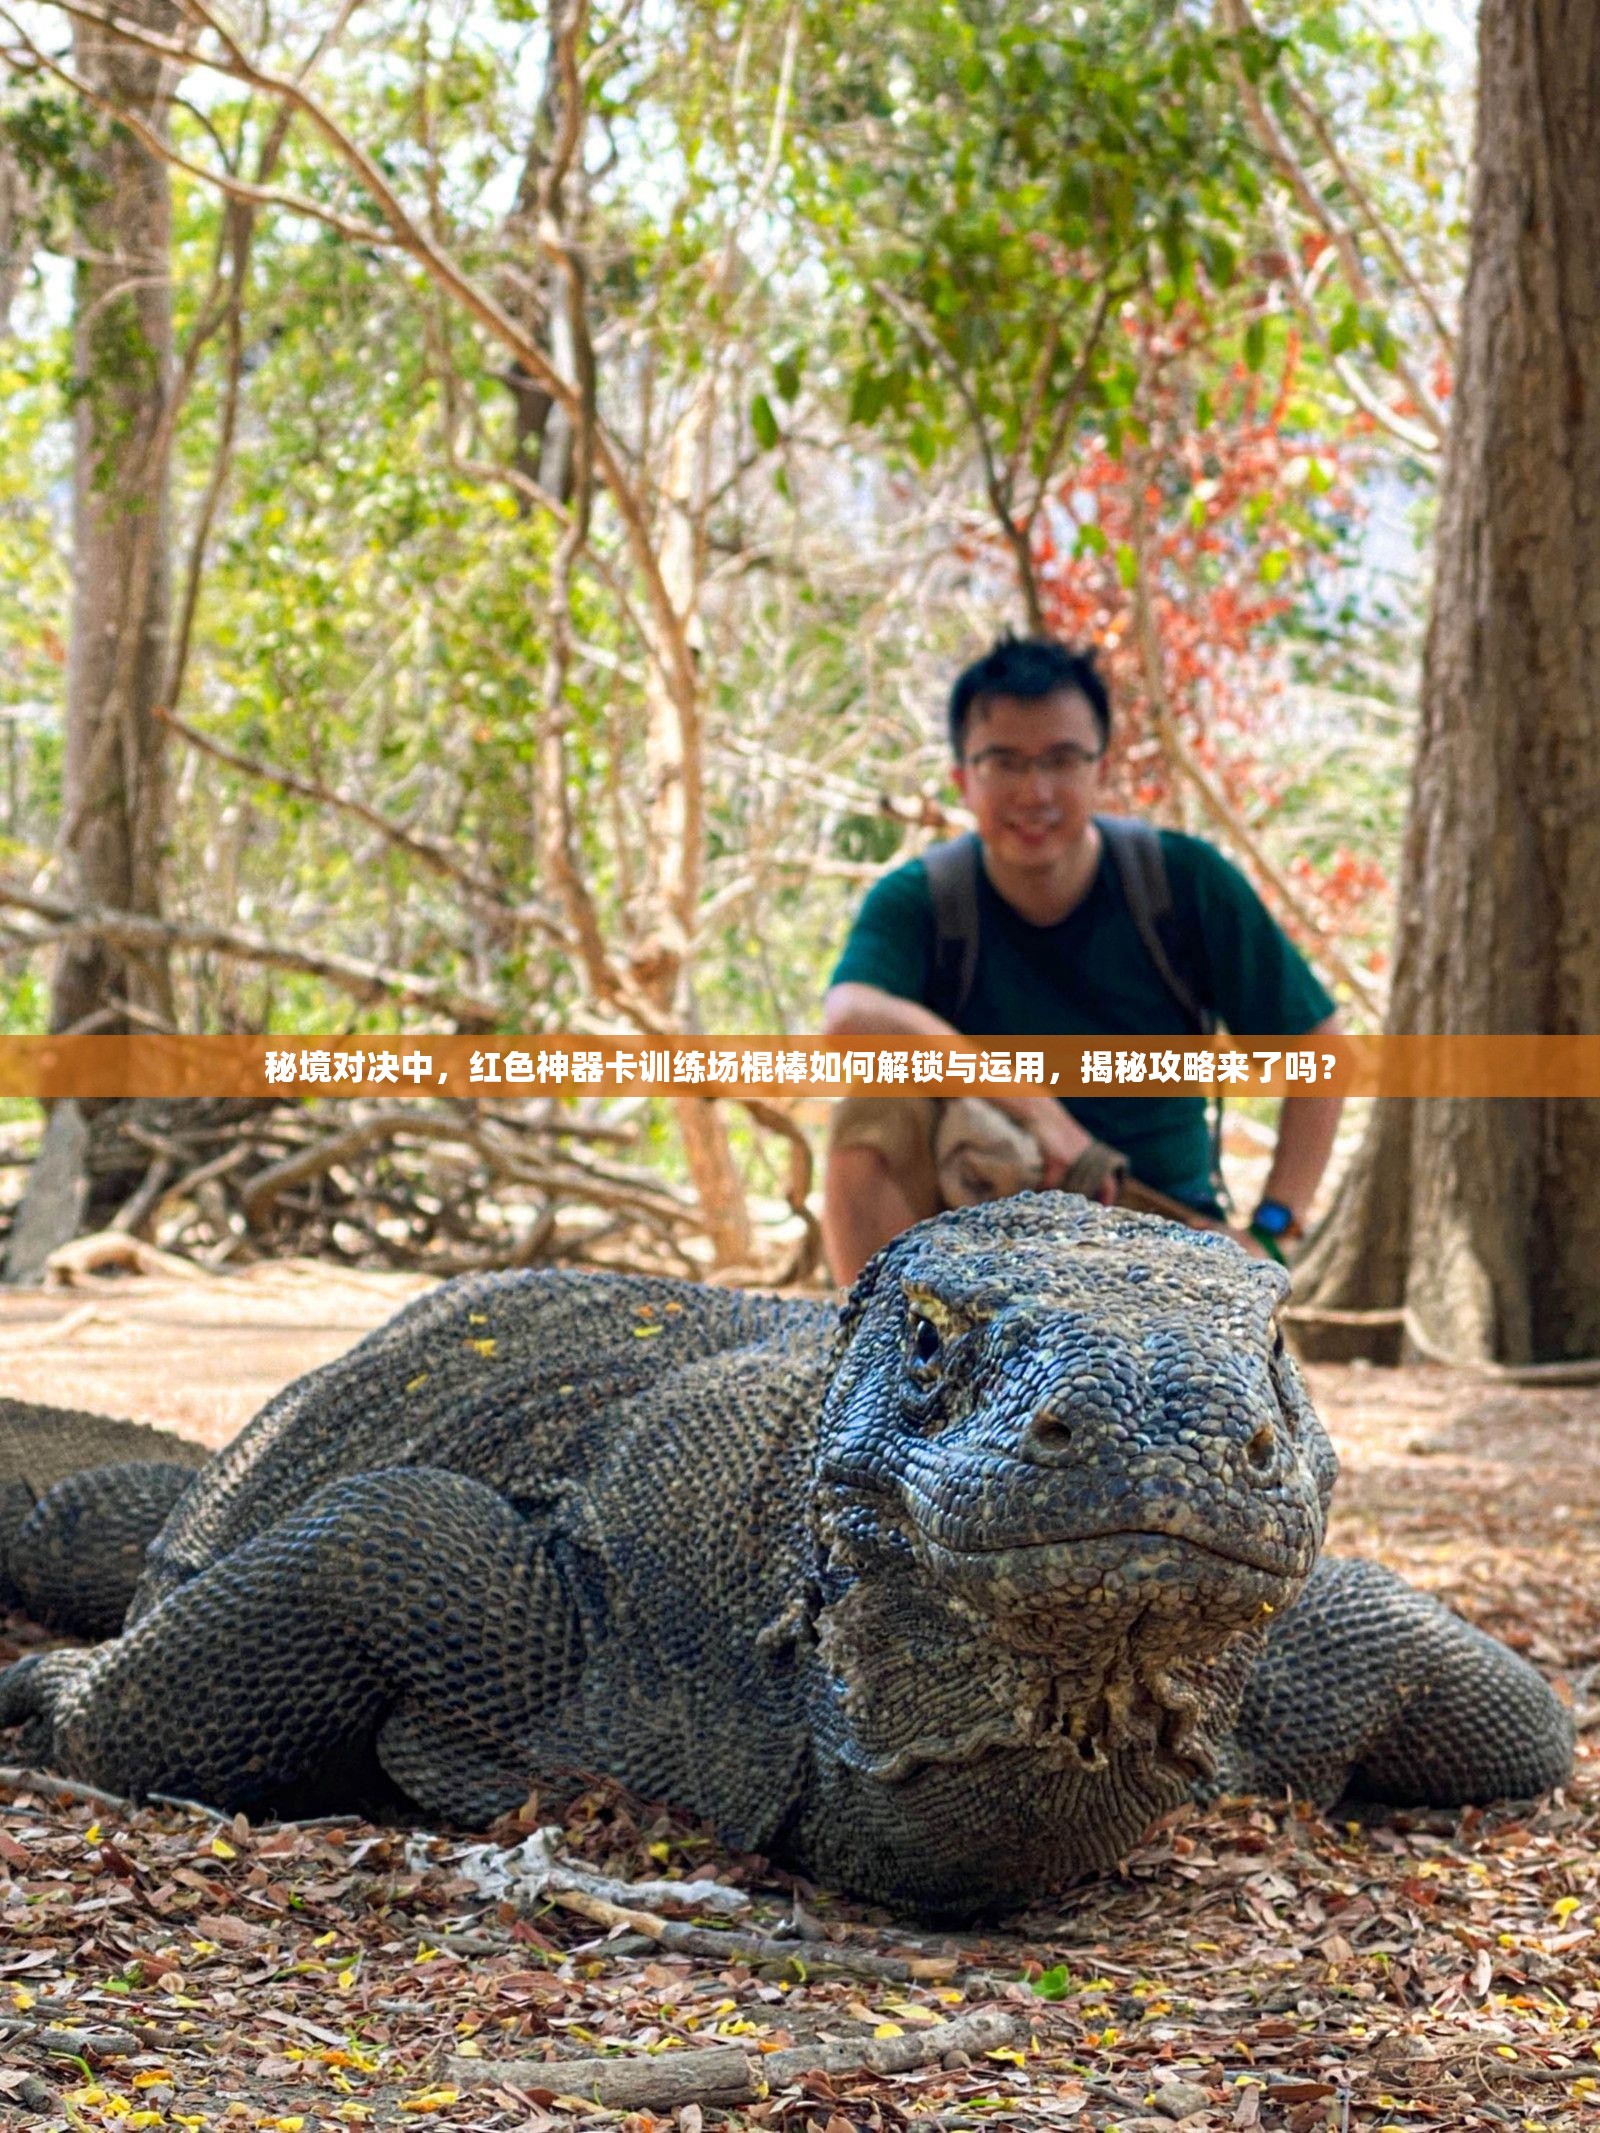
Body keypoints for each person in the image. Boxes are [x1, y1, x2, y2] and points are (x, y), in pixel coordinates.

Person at [820, 634, 1343, 1284]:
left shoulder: (1181, 883)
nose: (1035, 791)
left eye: (1062, 759)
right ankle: (875, 1362)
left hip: (1157, 1235)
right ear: (962, 777)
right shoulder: (921, 900)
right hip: (970, 1243)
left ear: (1100, 767)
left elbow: (1318, 1047)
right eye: (1004, 762)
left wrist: (1273, 1226)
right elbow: (847, 1020)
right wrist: (1038, 1111)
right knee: (874, 1097)